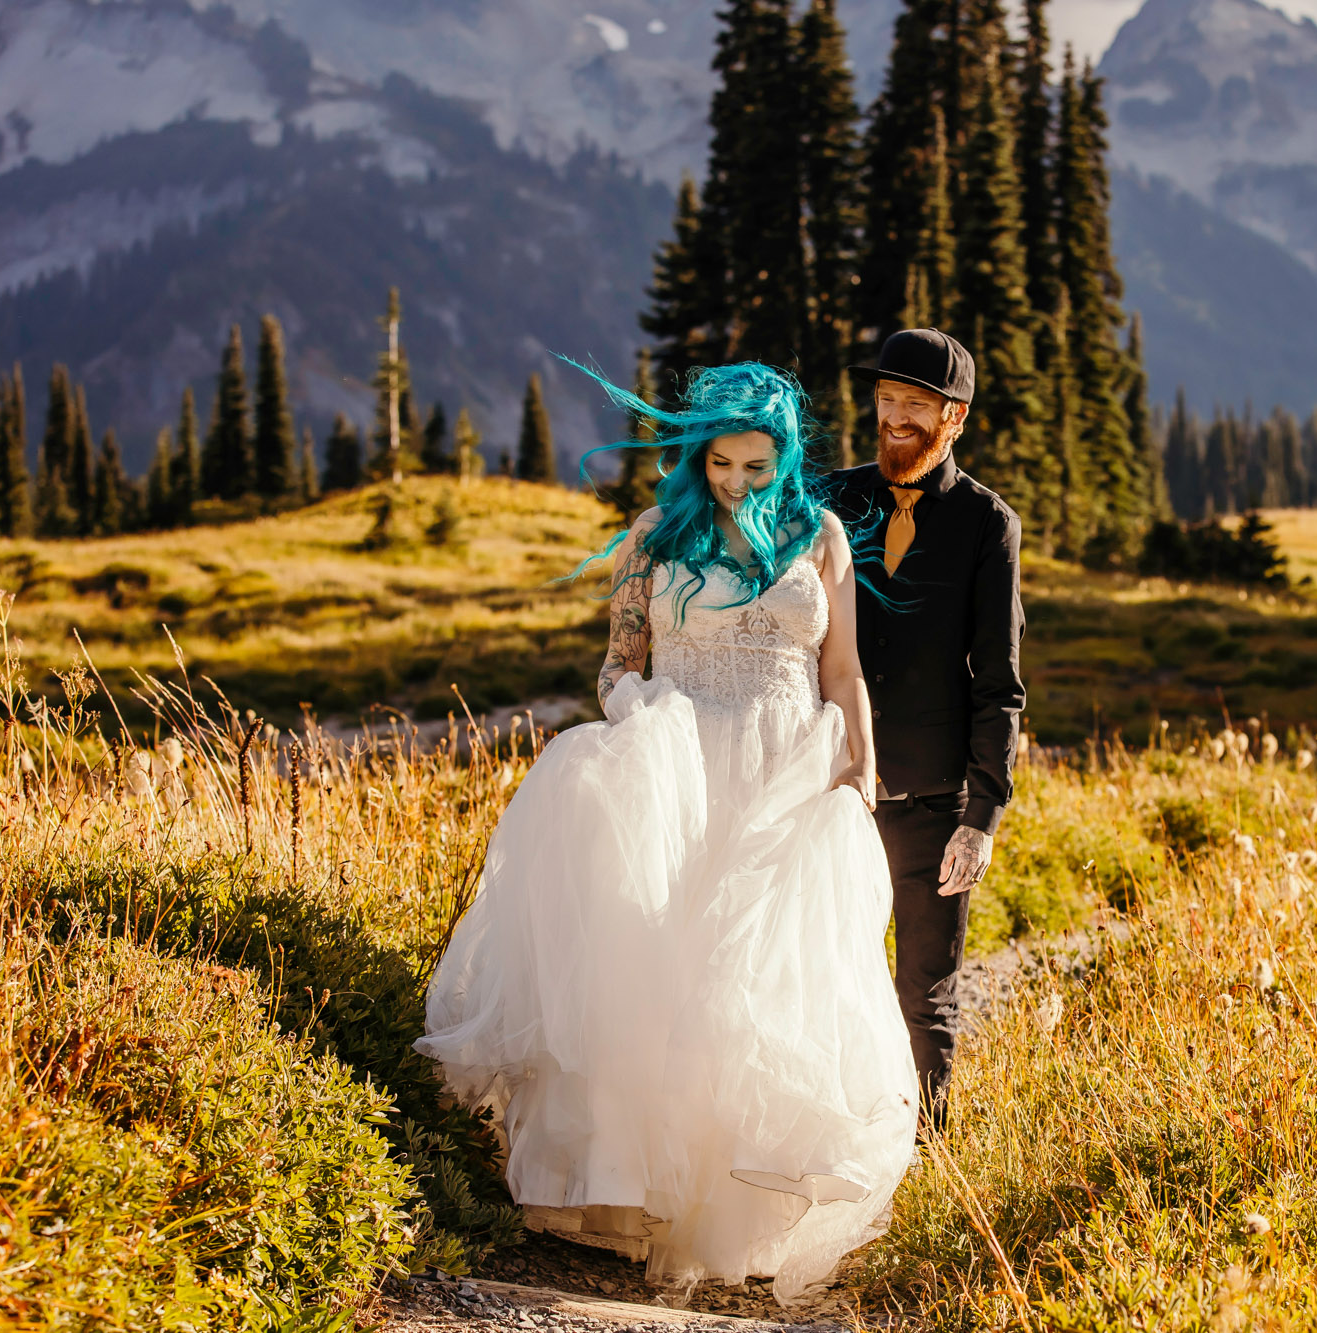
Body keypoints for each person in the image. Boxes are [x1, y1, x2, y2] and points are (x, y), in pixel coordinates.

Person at [415, 363, 916, 1304]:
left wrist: (864, 768)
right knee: (664, 979)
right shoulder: (654, 537)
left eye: (756, 464)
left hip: (787, 773)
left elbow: (842, 672)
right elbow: (617, 667)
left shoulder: (822, 535)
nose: (734, 479)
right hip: (677, 766)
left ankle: (742, 1204)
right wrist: (645, 724)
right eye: (719, 461)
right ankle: (637, 1188)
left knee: (767, 985)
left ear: (785, 454)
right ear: (698, 455)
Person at [834, 328, 1027, 1137]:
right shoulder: (828, 501)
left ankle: (927, 1162)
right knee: (822, 979)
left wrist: (980, 816)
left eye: (916, 403)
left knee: (926, 994)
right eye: (886, 400)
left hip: (931, 805)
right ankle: (829, 1153)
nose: (896, 417)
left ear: (954, 417)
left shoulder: (988, 523)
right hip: (831, 796)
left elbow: (1000, 682)